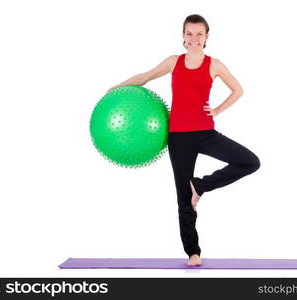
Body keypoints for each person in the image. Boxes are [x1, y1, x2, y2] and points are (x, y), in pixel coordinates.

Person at [108, 14, 260, 266]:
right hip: (178, 137)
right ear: (183, 36)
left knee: (250, 162)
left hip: (206, 133)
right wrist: (116, 88)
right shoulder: (173, 62)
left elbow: (238, 90)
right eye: (189, 33)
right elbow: (144, 77)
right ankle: (193, 252)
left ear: (207, 37)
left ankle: (200, 186)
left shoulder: (215, 65)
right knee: (182, 198)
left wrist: (218, 110)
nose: (194, 39)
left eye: (199, 34)